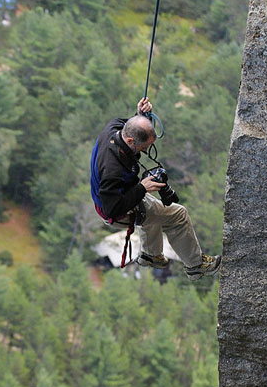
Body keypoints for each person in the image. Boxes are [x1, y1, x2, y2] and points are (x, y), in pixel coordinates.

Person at [90, 97, 221, 280]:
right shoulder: (113, 169)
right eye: (143, 148)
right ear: (129, 141)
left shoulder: (114, 128)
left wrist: (140, 115)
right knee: (178, 215)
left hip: (119, 194)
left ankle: (150, 255)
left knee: (154, 211)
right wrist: (142, 188)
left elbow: (133, 125)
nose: (145, 151)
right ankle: (196, 266)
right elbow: (112, 209)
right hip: (114, 209)